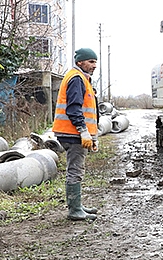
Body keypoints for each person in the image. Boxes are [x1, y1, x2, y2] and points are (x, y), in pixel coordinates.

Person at [52, 48, 99, 221]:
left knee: (76, 169)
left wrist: (92, 136)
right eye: (91, 62)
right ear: (80, 62)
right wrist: (83, 131)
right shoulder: (77, 79)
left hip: (73, 133)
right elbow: (74, 109)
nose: (94, 65)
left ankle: (77, 206)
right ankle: (74, 210)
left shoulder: (80, 78)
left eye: (95, 62)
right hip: (73, 134)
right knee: (75, 170)